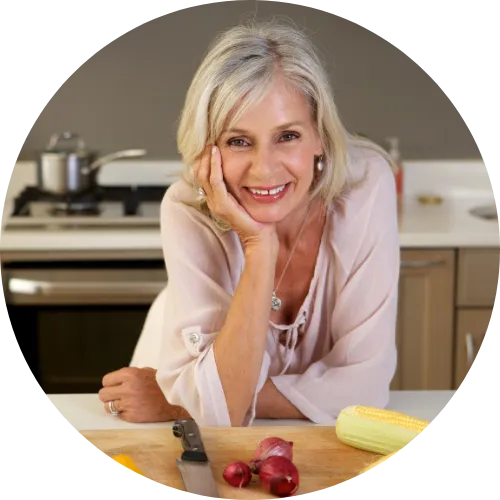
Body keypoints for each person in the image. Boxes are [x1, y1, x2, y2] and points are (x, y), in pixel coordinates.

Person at [98, 18, 401, 427]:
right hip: (178, 427)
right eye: (238, 141)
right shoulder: (187, 209)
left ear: (320, 137)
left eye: (287, 136)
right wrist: (259, 246)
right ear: (207, 150)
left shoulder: (365, 185)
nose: (265, 169)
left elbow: (366, 389)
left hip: (175, 404)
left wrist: (182, 399)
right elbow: (219, 416)